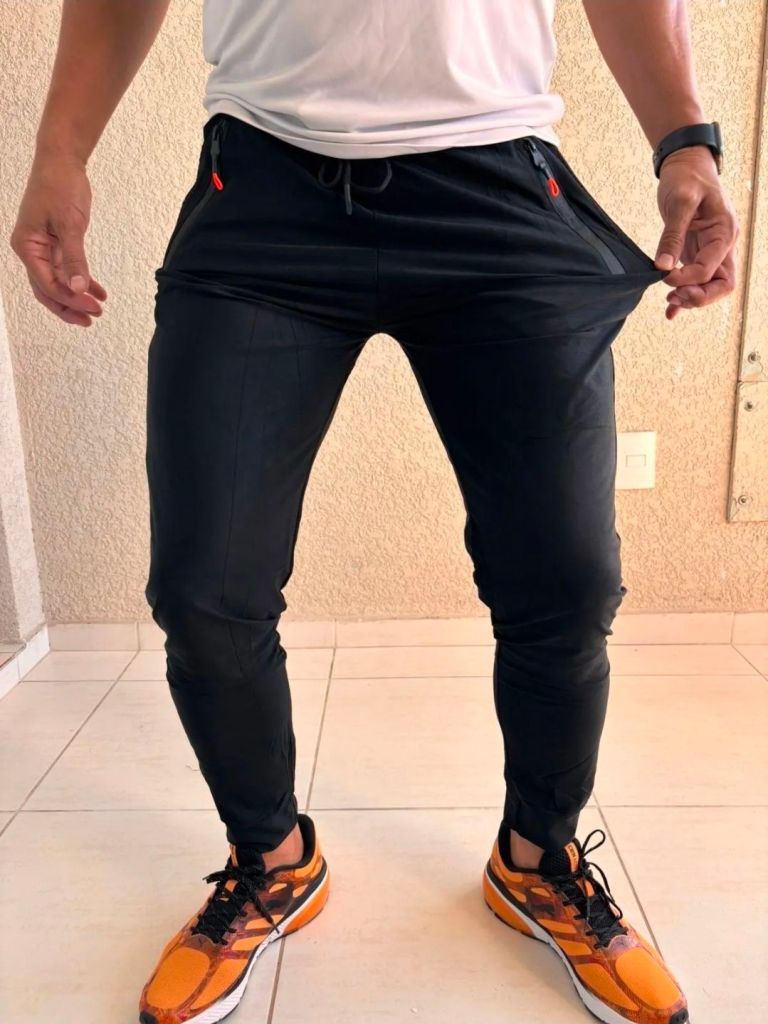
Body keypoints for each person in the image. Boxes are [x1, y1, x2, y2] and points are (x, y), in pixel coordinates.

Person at [10, 2, 738, 1022]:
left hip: (498, 186)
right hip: (261, 188)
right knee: (204, 590)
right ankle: (270, 860)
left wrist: (685, 139)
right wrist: (60, 150)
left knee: (567, 581)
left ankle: (538, 860)